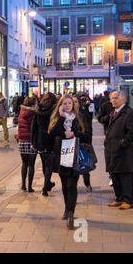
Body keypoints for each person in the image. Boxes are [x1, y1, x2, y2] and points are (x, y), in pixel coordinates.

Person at [49, 95, 88, 229]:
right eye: (64, 103)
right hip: (61, 155)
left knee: (72, 185)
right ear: (60, 105)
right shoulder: (57, 118)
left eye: (69, 103)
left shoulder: (80, 117)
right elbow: (52, 133)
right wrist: (61, 117)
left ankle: (71, 212)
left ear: (73, 105)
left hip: (74, 154)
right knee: (65, 185)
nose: (67, 105)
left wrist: (74, 134)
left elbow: (87, 136)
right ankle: (67, 207)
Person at [105, 91, 133, 210]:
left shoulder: (129, 113)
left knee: (125, 176)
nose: (112, 101)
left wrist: (122, 143)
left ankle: (128, 200)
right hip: (112, 150)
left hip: (123, 152)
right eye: (111, 98)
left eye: (115, 98)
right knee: (115, 175)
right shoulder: (114, 112)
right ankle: (119, 198)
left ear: (123, 99)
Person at [31, 93, 57, 196]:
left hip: (40, 140)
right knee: (49, 166)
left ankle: (48, 184)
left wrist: (33, 142)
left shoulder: (37, 110)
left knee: (44, 163)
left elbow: (34, 127)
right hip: (50, 139)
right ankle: (45, 188)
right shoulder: (54, 110)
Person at [15, 97, 37, 192]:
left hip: (22, 141)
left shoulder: (21, 113)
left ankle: (23, 185)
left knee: (24, 163)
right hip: (32, 141)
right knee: (31, 165)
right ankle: (30, 187)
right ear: (33, 104)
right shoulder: (34, 114)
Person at [73, 96, 93, 194]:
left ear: (79, 104)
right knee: (72, 171)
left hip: (82, 145)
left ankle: (87, 184)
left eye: (75, 102)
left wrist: (88, 144)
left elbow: (88, 131)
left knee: (84, 168)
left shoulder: (83, 115)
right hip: (70, 147)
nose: (73, 104)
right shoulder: (65, 116)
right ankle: (73, 190)